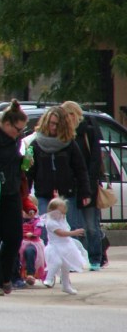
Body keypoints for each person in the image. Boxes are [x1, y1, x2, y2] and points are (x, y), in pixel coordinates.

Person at [0, 100, 29, 297]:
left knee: (14, 236)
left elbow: (15, 160)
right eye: (18, 129)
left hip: (11, 191)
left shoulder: (15, 139)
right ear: (7, 124)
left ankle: (5, 274)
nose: (19, 134)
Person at [26, 106, 90, 235]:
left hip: (67, 194)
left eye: (57, 124)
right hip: (44, 194)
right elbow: (27, 171)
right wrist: (24, 194)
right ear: (46, 122)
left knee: (71, 231)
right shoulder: (34, 144)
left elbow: (80, 169)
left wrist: (85, 192)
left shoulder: (70, 144)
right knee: (44, 231)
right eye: (51, 123)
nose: (54, 127)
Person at [62, 101, 104, 270]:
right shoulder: (65, 135)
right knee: (73, 225)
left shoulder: (88, 131)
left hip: (88, 184)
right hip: (71, 185)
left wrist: (89, 180)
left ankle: (95, 257)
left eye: (68, 115)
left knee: (91, 225)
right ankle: (78, 258)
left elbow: (95, 158)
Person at [42, 197, 88, 294]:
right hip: (55, 247)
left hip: (66, 246)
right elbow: (61, 233)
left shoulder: (61, 219)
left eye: (63, 213)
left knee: (66, 268)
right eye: (59, 213)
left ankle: (66, 286)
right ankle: (49, 278)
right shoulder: (51, 222)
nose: (61, 215)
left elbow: (65, 229)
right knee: (57, 262)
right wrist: (74, 233)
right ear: (51, 211)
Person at [20, 198, 47, 285]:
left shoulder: (37, 221)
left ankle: (30, 274)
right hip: (21, 241)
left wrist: (33, 234)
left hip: (33, 242)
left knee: (30, 251)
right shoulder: (19, 220)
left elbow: (38, 231)